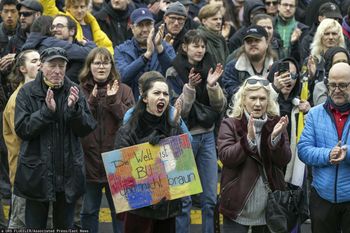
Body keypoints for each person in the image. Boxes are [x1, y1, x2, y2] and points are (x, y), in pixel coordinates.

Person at [13, 47, 97, 229]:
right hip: (37, 174)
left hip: (68, 174)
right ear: (41, 66)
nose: (57, 71)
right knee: (35, 226)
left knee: (65, 226)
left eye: (62, 65)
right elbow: (22, 129)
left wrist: (74, 110)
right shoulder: (27, 92)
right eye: (52, 65)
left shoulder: (74, 90)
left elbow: (87, 127)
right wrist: (46, 112)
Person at [166, 29, 226, 233]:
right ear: (185, 47)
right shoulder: (173, 71)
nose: (200, 50)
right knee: (183, 200)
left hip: (207, 135)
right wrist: (190, 88)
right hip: (183, 137)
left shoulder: (211, 67)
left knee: (209, 199)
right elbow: (178, 114)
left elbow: (220, 107)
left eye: (202, 46)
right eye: (195, 45)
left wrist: (212, 86)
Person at [217, 76, 291, 233]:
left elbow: (284, 159)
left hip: (269, 209)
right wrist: (248, 140)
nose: (258, 103)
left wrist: (274, 140)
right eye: (253, 98)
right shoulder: (230, 123)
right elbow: (226, 158)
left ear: (268, 101)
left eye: (262, 98)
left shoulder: (276, 123)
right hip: (237, 206)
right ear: (243, 100)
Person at [115, 76, 183, 233]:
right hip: (139, 210)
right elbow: (121, 172)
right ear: (145, 98)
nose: (162, 97)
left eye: (166, 94)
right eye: (157, 93)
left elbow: (182, 163)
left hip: (167, 209)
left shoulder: (173, 127)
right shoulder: (128, 130)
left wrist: (170, 142)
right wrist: (148, 145)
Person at [79, 47, 135, 233]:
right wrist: (91, 103)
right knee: (88, 212)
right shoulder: (79, 90)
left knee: (120, 214)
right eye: (97, 62)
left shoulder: (124, 90)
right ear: (89, 66)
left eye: (106, 62)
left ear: (112, 66)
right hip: (89, 162)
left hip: (118, 164)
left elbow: (131, 123)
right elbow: (76, 123)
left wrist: (113, 103)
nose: (101, 67)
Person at [297, 62, 350, 233]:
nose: (336, 90)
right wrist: (328, 155)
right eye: (332, 85)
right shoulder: (314, 113)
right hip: (322, 197)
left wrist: (347, 152)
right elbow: (304, 150)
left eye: (343, 85)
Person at [3, 49, 41, 229]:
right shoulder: (17, 99)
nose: (39, 64)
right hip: (24, 175)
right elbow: (25, 135)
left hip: (37, 175)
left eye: (40, 60)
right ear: (22, 69)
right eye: (34, 61)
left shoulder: (38, 94)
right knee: (20, 224)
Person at [114, 8, 175, 99]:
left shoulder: (165, 47)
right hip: (132, 103)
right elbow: (122, 78)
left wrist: (160, 49)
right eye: (140, 25)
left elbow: (173, 75)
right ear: (132, 28)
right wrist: (146, 56)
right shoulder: (121, 50)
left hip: (161, 103)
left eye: (148, 24)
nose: (145, 29)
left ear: (153, 26)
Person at [22, 15, 97, 83]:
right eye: (53, 27)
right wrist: (89, 43)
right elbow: (91, 53)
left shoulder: (77, 47)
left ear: (72, 31)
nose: (54, 29)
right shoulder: (50, 43)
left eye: (59, 26)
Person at [222, 25, 276, 102]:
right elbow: (230, 93)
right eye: (249, 41)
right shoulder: (232, 66)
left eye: (257, 40)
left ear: (267, 43)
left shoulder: (276, 66)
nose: (253, 44)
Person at [39, 0, 113, 54]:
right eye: (75, 7)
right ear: (68, 8)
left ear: (87, 8)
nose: (79, 10)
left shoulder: (95, 28)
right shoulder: (61, 19)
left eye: (82, 7)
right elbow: (47, 6)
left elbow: (108, 51)